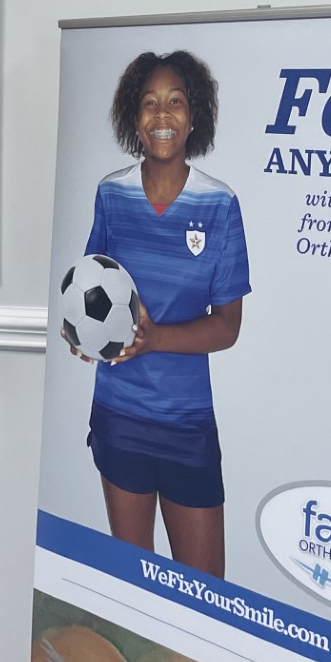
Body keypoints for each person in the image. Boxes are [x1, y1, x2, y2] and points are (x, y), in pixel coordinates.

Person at [73, 50, 249, 577]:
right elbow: (90, 289)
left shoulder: (219, 205)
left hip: (186, 424)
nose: (162, 115)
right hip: (119, 414)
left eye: (175, 102)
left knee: (204, 596)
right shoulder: (111, 194)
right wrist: (78, 331)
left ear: (194, 118)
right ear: (135, 118)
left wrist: (155, 339)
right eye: (149, 103)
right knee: (132, 587)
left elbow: (228, 326)